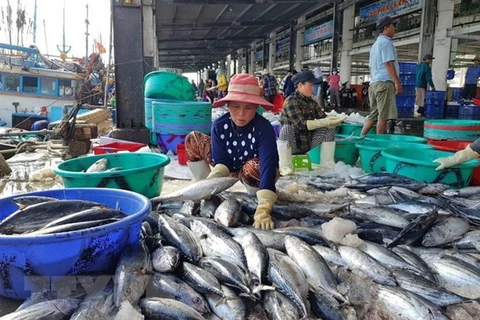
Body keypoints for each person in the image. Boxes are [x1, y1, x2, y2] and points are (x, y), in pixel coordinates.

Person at [184, 73, 279, 230]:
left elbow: (269, 165)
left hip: (253, 172)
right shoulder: (219, 125)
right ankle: (204, 191)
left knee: (254, 167)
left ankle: (256, 196)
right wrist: (210, 181)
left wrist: (264, 208)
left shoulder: (264, 128)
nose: (241, 114)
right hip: (228, 167)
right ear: (227, 105)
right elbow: (222, 161)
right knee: (193, 138)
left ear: (256, 107)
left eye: (248, 107)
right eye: (235, 106)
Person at [278, 70, 346, 171]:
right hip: (293, 144)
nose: (313, 88)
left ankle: (327, 166)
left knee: (329, 129)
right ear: (300, 85)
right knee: (286, 129)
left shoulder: (312, 102)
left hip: (308, 142)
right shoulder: (291, 101)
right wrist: (324, 122)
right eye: (311, 85)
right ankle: (285, 167)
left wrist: (333, 119)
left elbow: (322, 117)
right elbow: (301, 124)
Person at [360, 16, 402, 136]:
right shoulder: (386, 43)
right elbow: (388, 63)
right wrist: (397, 82)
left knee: (373, 115)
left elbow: (371, 68)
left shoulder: (375, 45)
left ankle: (360, 138)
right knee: (383, 117)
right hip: (384, 83)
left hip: (374, 84)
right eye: (393, 26)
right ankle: (379, 145)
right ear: (385, 28)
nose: (395, 28)